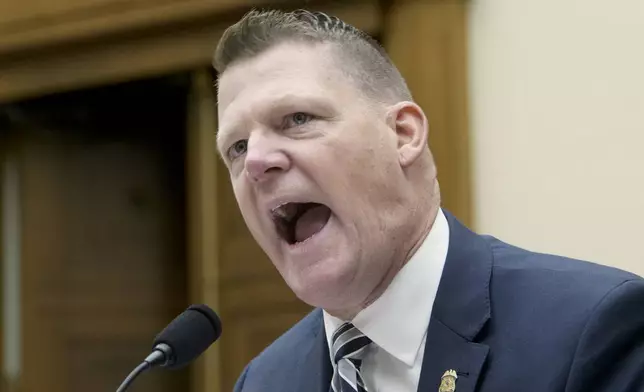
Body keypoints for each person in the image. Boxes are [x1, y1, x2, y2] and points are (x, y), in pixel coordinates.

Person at [213, 8, 644, 392]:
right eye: (236, 147)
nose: (256, 162)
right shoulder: (264, 380)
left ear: (403, 134)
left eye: (297, 119)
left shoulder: (594, 329)